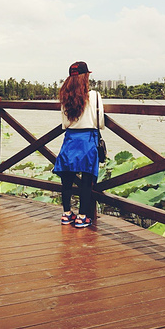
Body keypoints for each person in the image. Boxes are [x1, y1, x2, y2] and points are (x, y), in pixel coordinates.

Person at [53, 61, 104, 229]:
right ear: (86, 76)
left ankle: (66, 214)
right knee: (87, 180)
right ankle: (82, 217)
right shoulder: (95, 96)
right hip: (88, 139)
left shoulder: (65, 98)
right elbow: (100, 122)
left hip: (71, 139)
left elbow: (64, 124)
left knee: (66, 180)